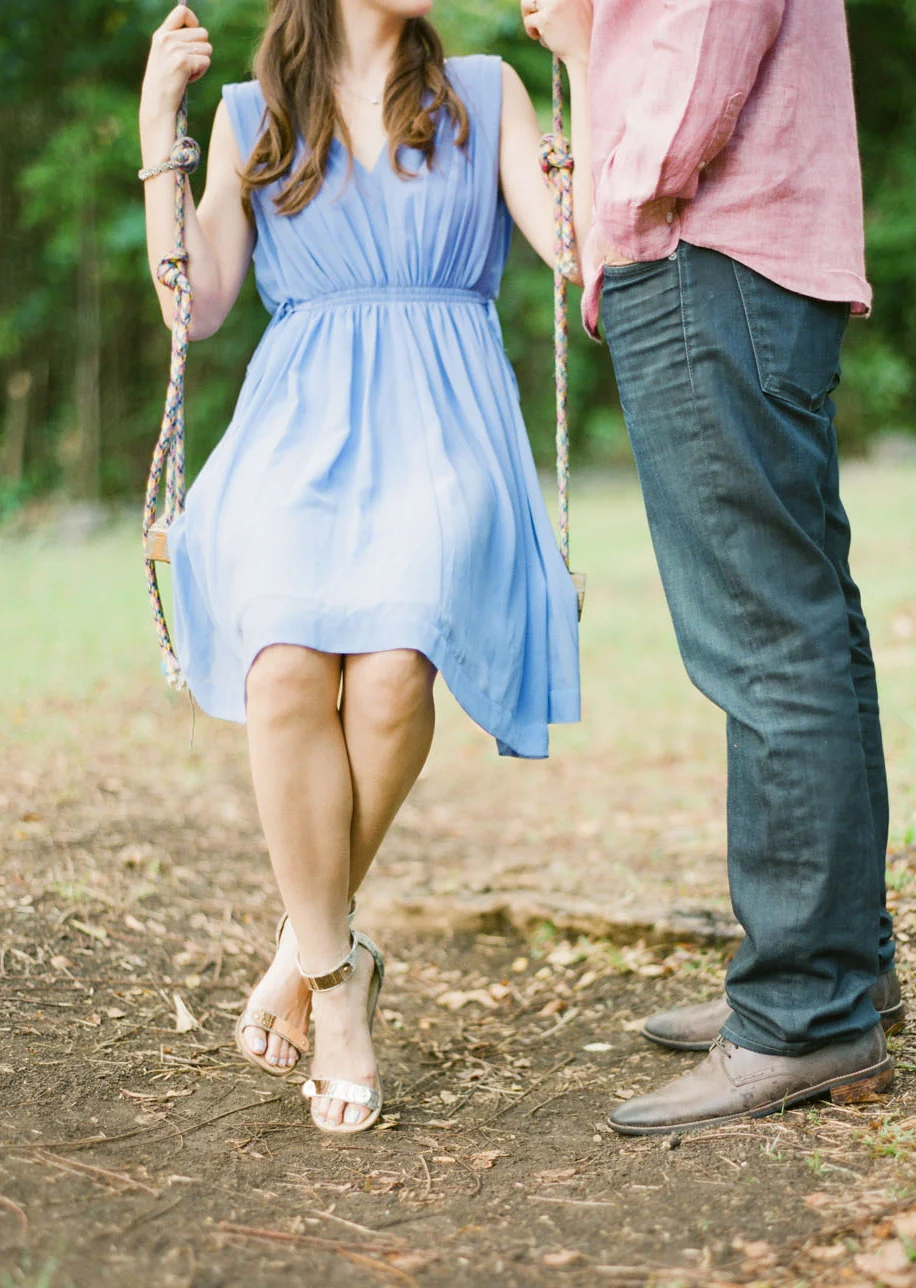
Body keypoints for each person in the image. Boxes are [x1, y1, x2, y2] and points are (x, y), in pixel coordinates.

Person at [139, 0, 591, 1133]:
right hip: (298, 427)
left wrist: (585, 69)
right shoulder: (254, 115)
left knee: (394, 671)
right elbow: (192, 306)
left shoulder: (483, 92)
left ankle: (304, 943)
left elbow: (571, 245)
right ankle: (338, 988)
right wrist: (163, 124)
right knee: (285, 668)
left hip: (445, 424)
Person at [521, 0, 901, 1133]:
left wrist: (614, 165)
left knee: (765, 639)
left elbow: (685, 91)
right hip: (743, 265)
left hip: (703, 259)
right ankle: (839, 970)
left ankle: (804, 1011)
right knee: (807, 623)